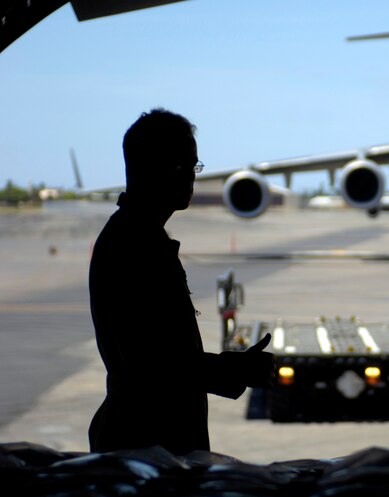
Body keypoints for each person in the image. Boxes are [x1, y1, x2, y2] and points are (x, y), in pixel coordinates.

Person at [89, 108, 276, 455]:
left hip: (151, 441)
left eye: (195, 166)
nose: (193, 176)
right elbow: (155, 368)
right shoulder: (134, 247)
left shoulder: (138, 237)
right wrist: (238, 369)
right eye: (186, 165)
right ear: (157, 168)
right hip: (146, 445)